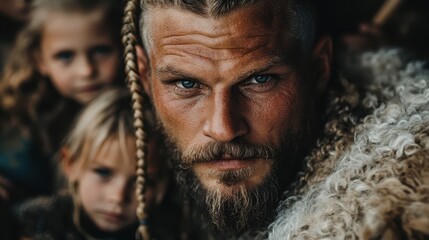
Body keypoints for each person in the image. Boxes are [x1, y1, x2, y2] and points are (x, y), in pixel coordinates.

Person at [121, 0, 429, 239]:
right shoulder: (120, 171)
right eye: (187, 84)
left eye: (259, 80)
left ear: (318, 69)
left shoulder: (400, 189)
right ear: (145, 76)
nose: (223, 129)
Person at [0, 0, 123, 204]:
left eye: (101, 51)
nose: (86, 71)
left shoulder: (138, 111)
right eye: (65, 56)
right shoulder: (28, 116)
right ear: (40, 61)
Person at [13, 88, 168, 239]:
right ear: (71, 164)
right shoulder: (35, 222)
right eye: (103, 172)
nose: (118, 197)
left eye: (142, 182)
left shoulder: (173, 232)